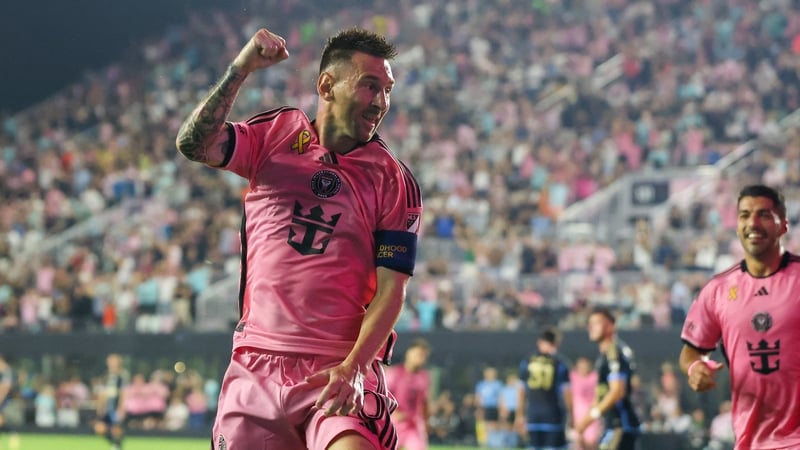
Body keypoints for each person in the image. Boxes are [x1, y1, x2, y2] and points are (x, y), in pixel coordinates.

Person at [175, 25, 422, 450]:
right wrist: (243, 66)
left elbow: (391, 291)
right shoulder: (275, 135)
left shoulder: (392, 179)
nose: (381, 102)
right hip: (257, 365)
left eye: (387, 89)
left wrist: (354, 368)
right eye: (369, 86)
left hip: (337, 368)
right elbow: (195, 144)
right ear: (327, 85)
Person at [679, 184, 800, 450]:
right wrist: (694, 368)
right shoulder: (717, 290)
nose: (753, 223)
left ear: (784, 226)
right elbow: (692, 352)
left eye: (764, 215)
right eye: (745, 215)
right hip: (750, 442)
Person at [576, 308, 641, 450]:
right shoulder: (604, 355)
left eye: (597, 323)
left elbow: (617, 391)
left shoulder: (614, 352)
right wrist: (584, 422)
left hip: (621, 425)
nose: (591, 327)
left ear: (611, 326)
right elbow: (601, 395)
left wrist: (590, 417)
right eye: (590, 323)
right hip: (612, 426)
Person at [514, 327, 572, 450]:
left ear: (539, 342)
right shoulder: (560, 363)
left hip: (533, 415)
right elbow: (566, 392)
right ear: (556, 344)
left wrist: (519, 415)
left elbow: (521, 391)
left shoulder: (527, 361)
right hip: (553, 414)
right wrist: (571, 414)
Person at [385, 339, 431, 450]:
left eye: (424, 356)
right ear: (408, 353)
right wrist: (394, 413)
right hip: (394, 423)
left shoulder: (424, 377)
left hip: (414, 424)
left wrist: (426, 421)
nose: (421, 358)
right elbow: (383, 396)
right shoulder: (394, 373)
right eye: (418, 354)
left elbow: (424, 401)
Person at [93, 353, 128, 450]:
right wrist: (100, 406)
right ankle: (115, 444)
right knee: (99, 428)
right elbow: (102, 393)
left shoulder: (122, 376)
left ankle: (117, 446)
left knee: (116, 429)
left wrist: (122, 408)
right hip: (106, 408)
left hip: (115, 407)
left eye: (113, 361)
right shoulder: (106, 376)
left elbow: (124, 393)